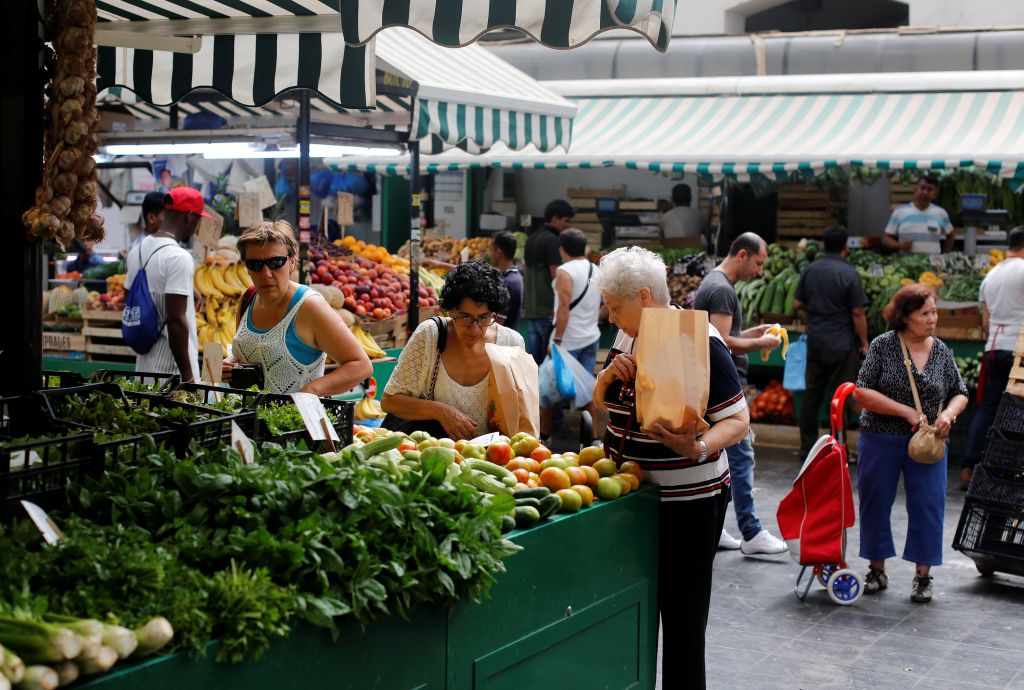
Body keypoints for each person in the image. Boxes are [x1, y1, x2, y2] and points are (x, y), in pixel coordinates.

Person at [593, 246, 749, 690]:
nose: (610, 317)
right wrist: (605, 379)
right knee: (631, 610)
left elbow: (738, 421)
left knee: (682, 621)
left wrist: (696, 447)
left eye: (615, 306)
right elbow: (601, 405)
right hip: (631, 499)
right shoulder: (627, 336)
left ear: (644, 297)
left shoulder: (700, 340)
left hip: (688, 504)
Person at [853, 285, 968, 603]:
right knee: (875, 502)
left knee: (929, 504)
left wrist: (948, 414)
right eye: (925, 313)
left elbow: (960, 392)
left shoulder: (941, 350)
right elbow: (861, 391)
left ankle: (923, 576)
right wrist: (904, 411)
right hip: (880, 437)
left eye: (935, 312)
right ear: (905, 317)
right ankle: (876, 569)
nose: (933, 319)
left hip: (929, 441)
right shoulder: (883, 345)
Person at [693, 232, 787, 555]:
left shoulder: (714, 283)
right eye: (758, 263)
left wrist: (751, 333)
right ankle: (751, 532)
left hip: (714, 387)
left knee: (722, 458)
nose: (760, 272)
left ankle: (716, 526)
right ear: (742, 255)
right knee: (741, 457)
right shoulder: (721, 289)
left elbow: (723, 335)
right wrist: (762, 343)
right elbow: (721, 343)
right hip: (725, 391)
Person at [382, 261, 526, 439]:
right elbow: (389, 401)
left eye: (484, 317)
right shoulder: (430, 336)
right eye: (465, 317)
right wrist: (440, 411)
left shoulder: (511, 344)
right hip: (431, 450)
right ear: (451, 312)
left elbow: (522, 412)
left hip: (491, 453)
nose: (475, 329)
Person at [229, 220, 372, 395]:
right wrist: (231, 365)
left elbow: (361, 365)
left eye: (275, 262)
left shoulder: (310, 307)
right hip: (245, 411)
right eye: (255, 265)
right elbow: (251, 357)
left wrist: (311, 390)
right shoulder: (248, 298)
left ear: (292, 262)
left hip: (299, 413)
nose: (266, 274)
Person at [793, 225, 870, 459]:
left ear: (823, 245)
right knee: (840, 398)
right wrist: (865, 342)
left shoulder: (810, 269)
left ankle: (807, 448)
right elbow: (858, 312)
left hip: (816, 342)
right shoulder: (848, 273)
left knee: (811, 396)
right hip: (841, 345)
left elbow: (797, 304)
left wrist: (813, 317)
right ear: (845, 247)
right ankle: (839, 450)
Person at [960, 226, 1024, 488]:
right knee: (1018, 409)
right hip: (1020, 350)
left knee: (987, 408)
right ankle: (1010, 470)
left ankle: (968, 469)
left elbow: (985, 322)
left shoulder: (991, 275)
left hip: (993, 349)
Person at [124, 187, 206, 380]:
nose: (197, 226)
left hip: (143, 372)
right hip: (171, 375)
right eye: (198, 220)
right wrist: (188, 378)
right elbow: (176, 321)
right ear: (188, 217)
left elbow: (129, 299)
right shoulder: (178, 257)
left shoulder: (137, 251)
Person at [541, 228, 602, 443]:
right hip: (591, 338)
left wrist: (557, 340)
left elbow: (564, 307)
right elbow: (602, 305)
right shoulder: (596, 269)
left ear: (562, 249)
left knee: (552, 390)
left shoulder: (564, 271)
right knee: (586, 390)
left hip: (567, 341)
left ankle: (544, 436)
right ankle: (593, 438)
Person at [523, 200, 574, 364]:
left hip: (532, 310)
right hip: (547, 310)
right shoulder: (552, 240)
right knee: (549, 364)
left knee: (533, 364)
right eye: (566, 221)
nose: (568, 225)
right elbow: (556, 276)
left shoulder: (531, 238)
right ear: (554, 219)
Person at [882, 174, 955, 255]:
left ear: (935, 194)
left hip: (933, 262)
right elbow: (886, 239)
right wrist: (900, 245)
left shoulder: (941, 213)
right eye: (922, 188)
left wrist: (944, 256)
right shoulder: (899, 212)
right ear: (916, 190)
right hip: (905, 262)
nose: (925, 192)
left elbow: (951, 236)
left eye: (930, 189)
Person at [490, 231, 523, 333]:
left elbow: (497, 324)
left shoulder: (507, 283)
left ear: (498, 252)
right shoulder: (516, 276)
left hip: (503, 340)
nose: (489, 254)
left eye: (490, 250)